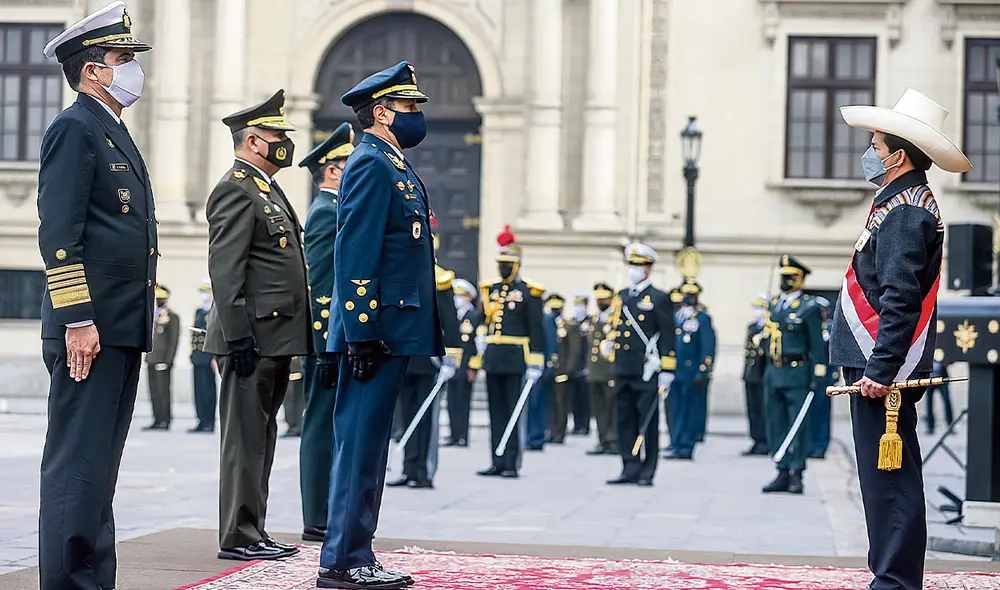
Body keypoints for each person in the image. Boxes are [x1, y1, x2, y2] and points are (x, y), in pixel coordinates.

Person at [36, 3, 155, 588]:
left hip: (120, 324)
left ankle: (93, 579)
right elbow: (61, 235)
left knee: (99, 471)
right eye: (123, 58)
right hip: (91, 327)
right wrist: (77, 319)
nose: (133, 69)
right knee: (77, 469)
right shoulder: (75, 127)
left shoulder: (108, 127)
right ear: (92, 70)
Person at [832, 89, 969, 590]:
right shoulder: (898, 202)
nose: (869, 152)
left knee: (889, 479)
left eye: (875, 145)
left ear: (898, 155)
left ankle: (894, 581)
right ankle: (891, 574)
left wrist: (880, 369)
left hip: (880, 365)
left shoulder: (906, 212)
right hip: (876, 360)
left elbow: (900, 299)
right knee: (881, 478)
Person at [315, 61, 442, 589]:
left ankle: (354, 551)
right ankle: (344, 559)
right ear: (383, 112)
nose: (417, 115)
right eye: (409, 106)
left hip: (391, 328)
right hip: (377, 331)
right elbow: (356, 251)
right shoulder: (370, 162)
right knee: (361, 446)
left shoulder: (391, 162)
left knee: (370, 445)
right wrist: (361, 331)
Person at [203, 89, 311, 561]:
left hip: (274, 336)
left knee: (262, 439)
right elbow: (225, 271)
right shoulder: (236, 189)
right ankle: (238, 536)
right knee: (244, 443)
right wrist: (238, 336)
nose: (284, 142)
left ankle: (254, 529)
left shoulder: (265, 188)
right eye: (276, 135)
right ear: (252, 141)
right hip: (251, 336)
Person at [297, 121, 353, 542]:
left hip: (337, 339)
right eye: (349, 164)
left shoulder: (338, 210)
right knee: (319, 423)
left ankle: (330, 509)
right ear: (332, 171)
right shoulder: (325, 212)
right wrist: (325, 347)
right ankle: (316, 514)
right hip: (327, 343)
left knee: (334, 425)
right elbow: (320, 287)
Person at [388, 218, 462, 489]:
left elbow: (450, 323)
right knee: (406, 416)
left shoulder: (440, 279)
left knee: (427, 418)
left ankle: (424, 471)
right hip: (404, 357)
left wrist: (450, 359)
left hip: (429, 359)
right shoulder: (400, 271)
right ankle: (409, 468)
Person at [475, 225, 545, 478]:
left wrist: (536, 360)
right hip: (494, 356)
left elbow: (536, 328)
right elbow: (482, 320)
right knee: (496, 412)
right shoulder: (490, 290)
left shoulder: (529, 292)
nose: (504, 268)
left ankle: (512, 462)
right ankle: (497, 459)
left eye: (508, 264)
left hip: (516, 357)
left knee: (514, 412)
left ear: (517, 265)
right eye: (501, 264)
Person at [605, 243, 676, 487]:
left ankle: (648, 469)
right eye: (631, 265)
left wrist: (667, 368)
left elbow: (667, 335)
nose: (634, 270)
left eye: (639, 265)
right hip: (623, 368)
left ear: (649, 269)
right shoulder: (622, 296)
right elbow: (616, 327)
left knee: (648, 421)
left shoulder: (659, 298)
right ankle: (629, 466)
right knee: (625, 420)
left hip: (646, 370)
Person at [760, 256, 826, 495]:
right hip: (773, 371)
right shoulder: (774, 305)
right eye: (783, 276)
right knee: (775, 422)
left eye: (791, 277)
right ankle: (781, 468)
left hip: (797, 371)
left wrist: (819, 373)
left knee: (797, 424)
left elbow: (817, 345)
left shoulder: (809, 307)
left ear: (801, 280)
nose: (785, 280)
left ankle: (797, 471)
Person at [663, 280, 715, 461]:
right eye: (686, 294)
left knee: (689, 410)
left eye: (692, 295)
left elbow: (707, 346)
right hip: (674, 371)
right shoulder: (675, 317)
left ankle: (686, 446)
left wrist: (703, 370)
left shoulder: (702, 319)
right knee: (675, 410)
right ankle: (676, 442)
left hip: (691, 372)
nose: (688, 298)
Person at [446, 278, 480, 447]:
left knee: (462, 401)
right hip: (453, 365)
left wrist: (474, 367)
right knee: (452, 401)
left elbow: (478, 344)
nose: (456, 299)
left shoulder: (473, 316)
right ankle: (454, 433)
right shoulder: (454, 316)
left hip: (466, 366)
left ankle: (462, 435)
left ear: (468, 297)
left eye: (460, 296)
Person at [586, 283, 618, 455]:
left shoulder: (616, 320)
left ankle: (613, 440)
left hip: (609, 371)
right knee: (599, 409)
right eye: (598, 299)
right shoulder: (595, 319)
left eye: (604, 299)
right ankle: (602, 439)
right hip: (595, 372)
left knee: (611, 408)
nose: (600, 302)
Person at [808, 296, 840, 459]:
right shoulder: (810, 327)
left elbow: (834, 354)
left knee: (822, 414)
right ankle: (809, 445)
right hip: (809, 377)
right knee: (809, 413)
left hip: (825, 378)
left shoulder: (830, 329)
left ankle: (820, 446)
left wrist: (834, 375)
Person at [144, 285, 179, 430]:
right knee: (153, 391)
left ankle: (165, 419)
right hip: (151, 359)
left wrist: (168, 360)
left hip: (162, 360)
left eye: (161, 298)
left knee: (163, 391)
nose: (158, 301)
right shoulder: (152, 315)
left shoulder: (172, 317)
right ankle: (157, 419)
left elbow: (173, 341)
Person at [741, 294, 769, 456]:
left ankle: (766, 441)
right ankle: (756, 439)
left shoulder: (771, 328)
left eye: (760, 308)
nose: (757, 311)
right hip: (751, 374)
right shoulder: (752, 327)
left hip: (763, 374)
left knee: (764, 410)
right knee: (753, 410)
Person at [190, 277, 217, 433]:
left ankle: (209, 422)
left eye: (206, 291)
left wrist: (215, 357)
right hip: (197, 356)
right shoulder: (199, 311)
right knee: (199, 391)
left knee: (208, 391)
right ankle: (201, 420)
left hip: (208, 356)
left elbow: (216, 335)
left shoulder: (215, 310)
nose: (204, 295)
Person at [542, 294, 568, 445]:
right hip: (549, 368)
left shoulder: (567, 326)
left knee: (560, 403)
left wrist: (568, 369)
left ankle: (559, 432)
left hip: (562, 370)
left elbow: (572, 350)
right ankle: (551, 430)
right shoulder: (546, 322)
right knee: (550, 402)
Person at [569, 294, 591, 436]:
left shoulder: (590, 323)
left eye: (580, 306)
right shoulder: (572, 323)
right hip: (573, 366)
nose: (577, 309)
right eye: (575, 305)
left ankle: (584, 425)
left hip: (585, 366)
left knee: (584, 399)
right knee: (574, 399)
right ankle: (577, 425)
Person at [924, 360, 954, 435]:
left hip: (942, 377)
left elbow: (950, 358)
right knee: (929, 403)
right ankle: (930, 426)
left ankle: (950, 425)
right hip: (929, 379)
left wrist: (944, 362)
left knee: (946, 401)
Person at [281, 357, 305, 437]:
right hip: (295, 369)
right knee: (294, 400)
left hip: (293, 370)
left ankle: (294, 425)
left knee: (292, 400)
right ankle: (295, 425)